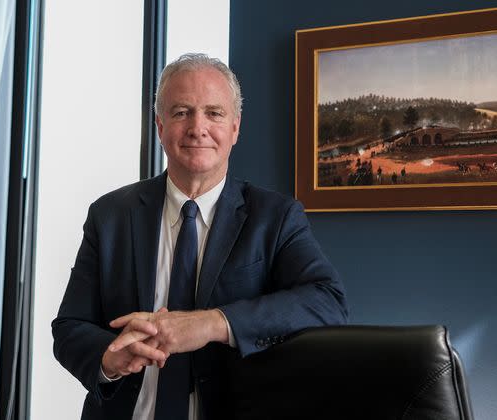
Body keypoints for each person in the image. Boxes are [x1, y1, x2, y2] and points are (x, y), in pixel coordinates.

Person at [52, 53, 348, 420]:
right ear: (160, 126)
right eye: (181, 112)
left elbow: (327, 302)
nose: (197, 127)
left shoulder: (275, 217)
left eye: (214, 113)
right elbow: (69, 327)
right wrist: (108, 358)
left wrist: (213, 323)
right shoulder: (109, 215)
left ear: (235, 127)